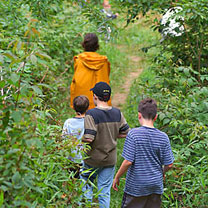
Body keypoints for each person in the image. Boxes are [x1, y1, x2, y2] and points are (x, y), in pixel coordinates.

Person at [112, 98, 174, 208]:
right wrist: (162, 172)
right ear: (155, 117)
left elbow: (127, 162)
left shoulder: (133, 135)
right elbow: (169, 164)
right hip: (155, 186)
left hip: (136, 187)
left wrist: (117, 177)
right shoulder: (163, 137)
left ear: (139, 115)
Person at [80, 82, 130, 208]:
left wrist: (78, 141)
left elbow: (89, 138)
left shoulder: (91, 114)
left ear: (95, 97)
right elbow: (126, 132)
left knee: (86, 185)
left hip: (92, 159)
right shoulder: (117, 113)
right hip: (110, 160)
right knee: (104, 192)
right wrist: (113, 135)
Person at [70, 33, 111, 110]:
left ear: (84, 44)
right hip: (100, 100)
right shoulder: (103, 61)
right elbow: (106, 78)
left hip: (82, 101)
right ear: (97, 45)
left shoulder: (79, 60)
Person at [62, 95, 89, 178]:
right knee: (85, 182)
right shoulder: (90, 121)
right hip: (86, 157)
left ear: (73, 107)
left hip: (72, 158)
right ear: (88, 107)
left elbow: (64, 139)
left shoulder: (68, 122)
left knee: (73, 181)